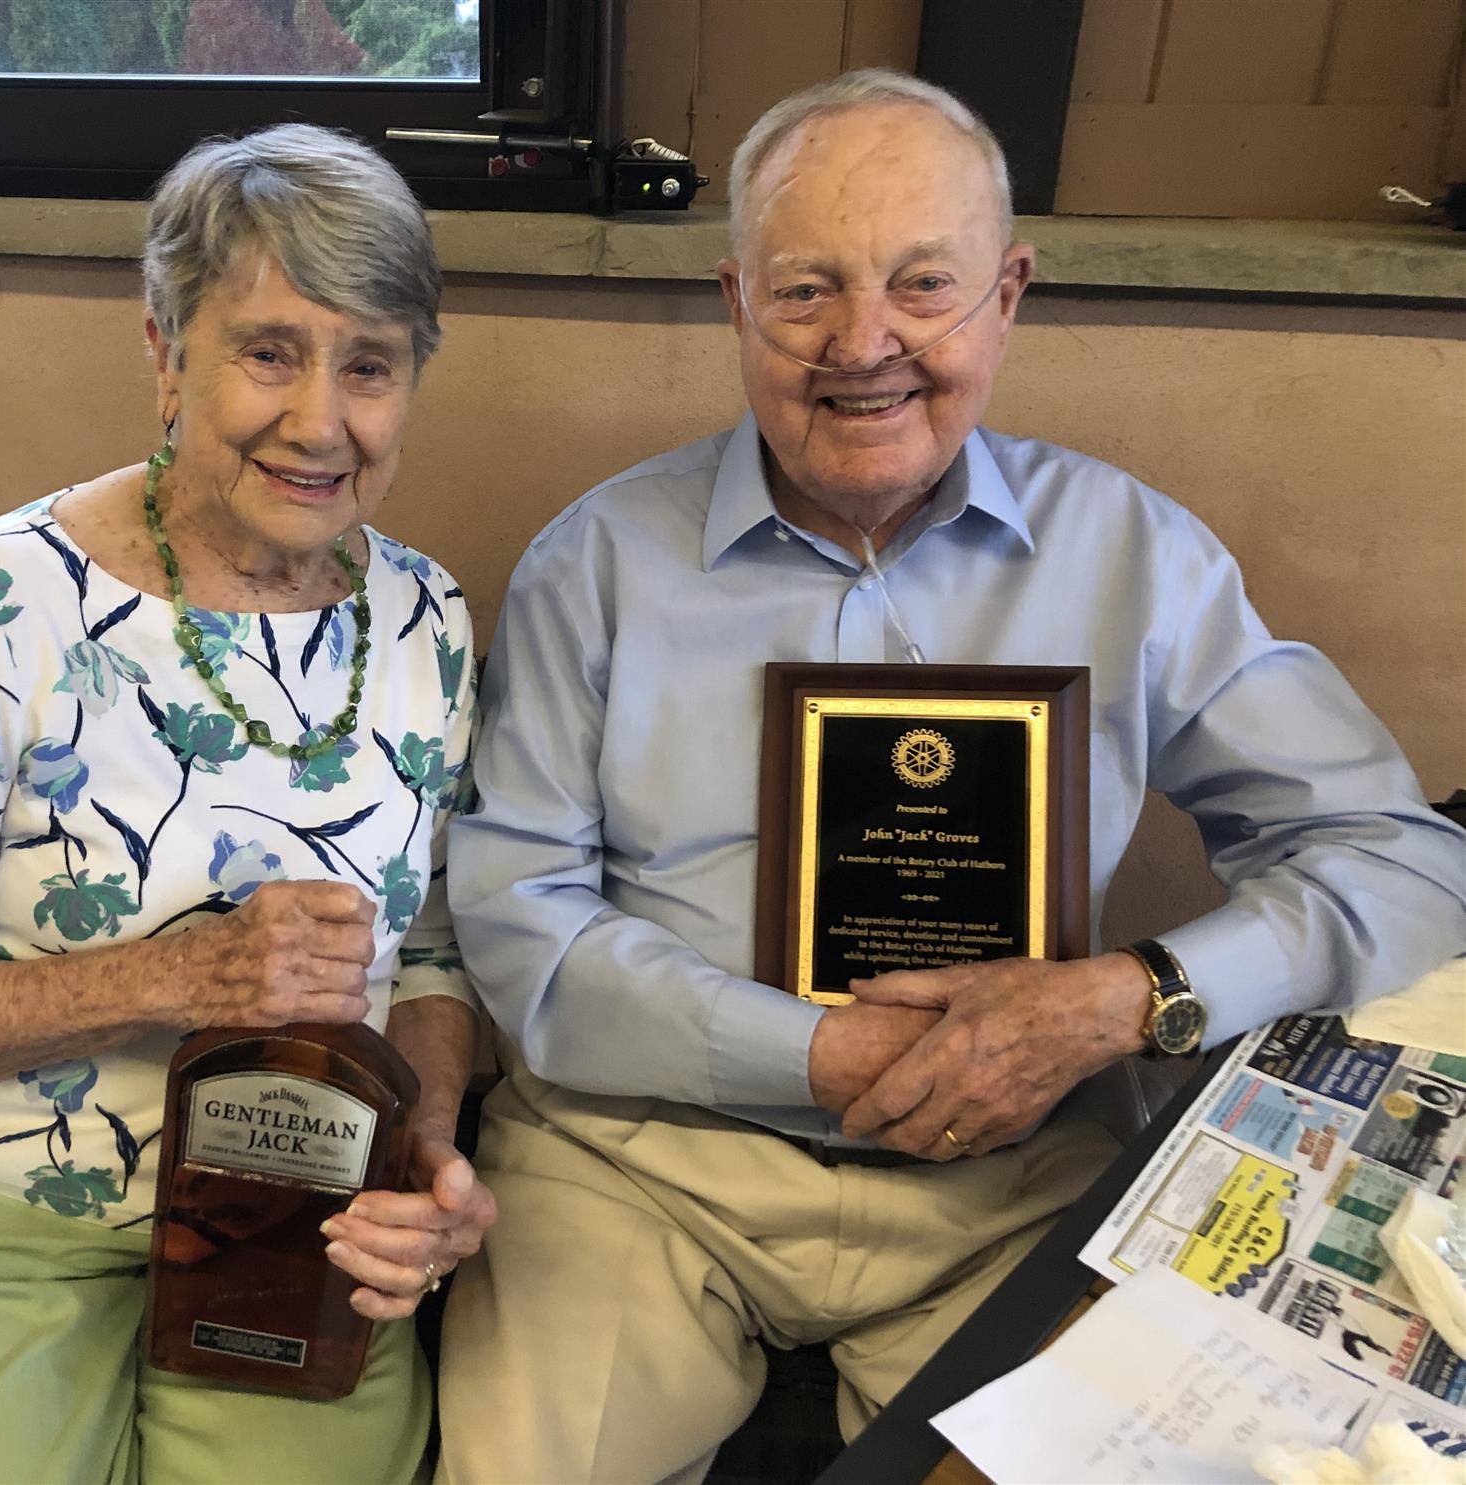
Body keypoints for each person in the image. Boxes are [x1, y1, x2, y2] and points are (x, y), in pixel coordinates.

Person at [437, 68, 1466, 1483]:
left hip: (1009, 1173)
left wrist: (1132, 996)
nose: (864, 344)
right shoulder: (596, 561)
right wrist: (818, 1053)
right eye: (806, 290)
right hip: (640, 1162)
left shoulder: (1133, 555)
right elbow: (518, 922)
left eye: (923, 284)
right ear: (737, 303)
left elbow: (1404, 860)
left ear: (1008, 294)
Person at [0, 123, 495, 1485]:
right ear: (167, 352)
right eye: (269, 352)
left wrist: (420, 1151)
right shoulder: (4, 597)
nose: (322, 421)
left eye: (369, 363)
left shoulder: (429, 619)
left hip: (300, 1213)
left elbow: (430, 952)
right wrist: (180, 975)